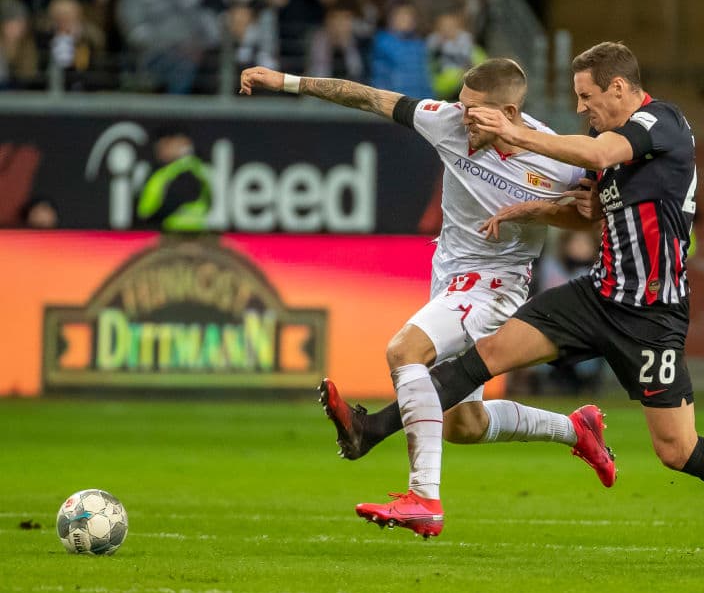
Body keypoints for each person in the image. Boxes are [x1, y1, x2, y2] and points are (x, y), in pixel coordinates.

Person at [307, 41, 704, 567]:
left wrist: (513, 133)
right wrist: (530, 209)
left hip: (651, 316)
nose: (582, 109)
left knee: (678, 450)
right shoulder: (604, 139)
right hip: (596, 294)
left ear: (618, 87)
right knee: (485, 355)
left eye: (586, 97)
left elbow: (600, 154)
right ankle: (370, 431)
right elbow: (586, 207)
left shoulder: (662, 124)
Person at [238, 57, 619, 539]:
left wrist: (540, 210)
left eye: (475, 111)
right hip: (448, 278)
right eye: (461, 107)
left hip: (497, 286)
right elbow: (367, 96)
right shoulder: (447, 123)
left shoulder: (556, 157)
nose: (462, 118)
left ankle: (424, 498)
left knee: (404, 351)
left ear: (507, 112)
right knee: (465, 424)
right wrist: (286, 80)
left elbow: (588, 213)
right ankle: (576, 429)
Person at [136, 125, 211, 232]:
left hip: (180, 236)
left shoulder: (186, 172)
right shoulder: (169, 171)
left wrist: (145, 224)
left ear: (182, 143)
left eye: (166, 144)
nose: (160, 149)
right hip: (168, 234)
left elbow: (172, 203)